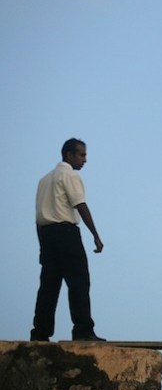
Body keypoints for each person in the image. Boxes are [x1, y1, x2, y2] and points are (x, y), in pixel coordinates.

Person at [31, 138, 105, 342]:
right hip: (66, 232)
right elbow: (80, 204)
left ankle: (40, 332)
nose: (85, 160)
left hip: (46, 234)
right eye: (81, 155)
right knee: (79, 281)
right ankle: (82, 329)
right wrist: (96, 236)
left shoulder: (44, 180)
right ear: (69, 155)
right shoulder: (69, 175)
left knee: (49, 285)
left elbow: (40, 214)